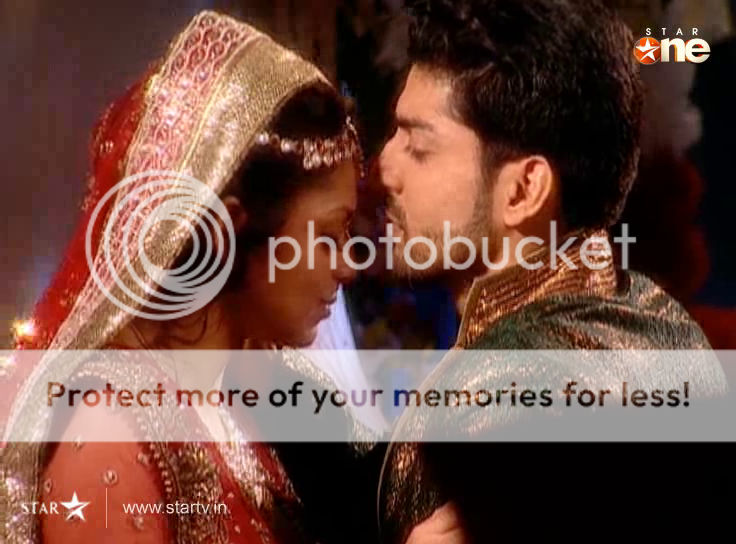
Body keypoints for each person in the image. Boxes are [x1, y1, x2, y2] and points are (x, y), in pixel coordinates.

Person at [1, 11, 376, 543]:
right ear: (228, 230)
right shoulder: (111, 435)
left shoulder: (247, 400)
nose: (348, 266)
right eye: (327, 237)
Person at [376, 1, 730, 542]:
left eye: (418, 146)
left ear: (524, 189)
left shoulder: (499, 393)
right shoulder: (657, 319)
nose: (385, 167)